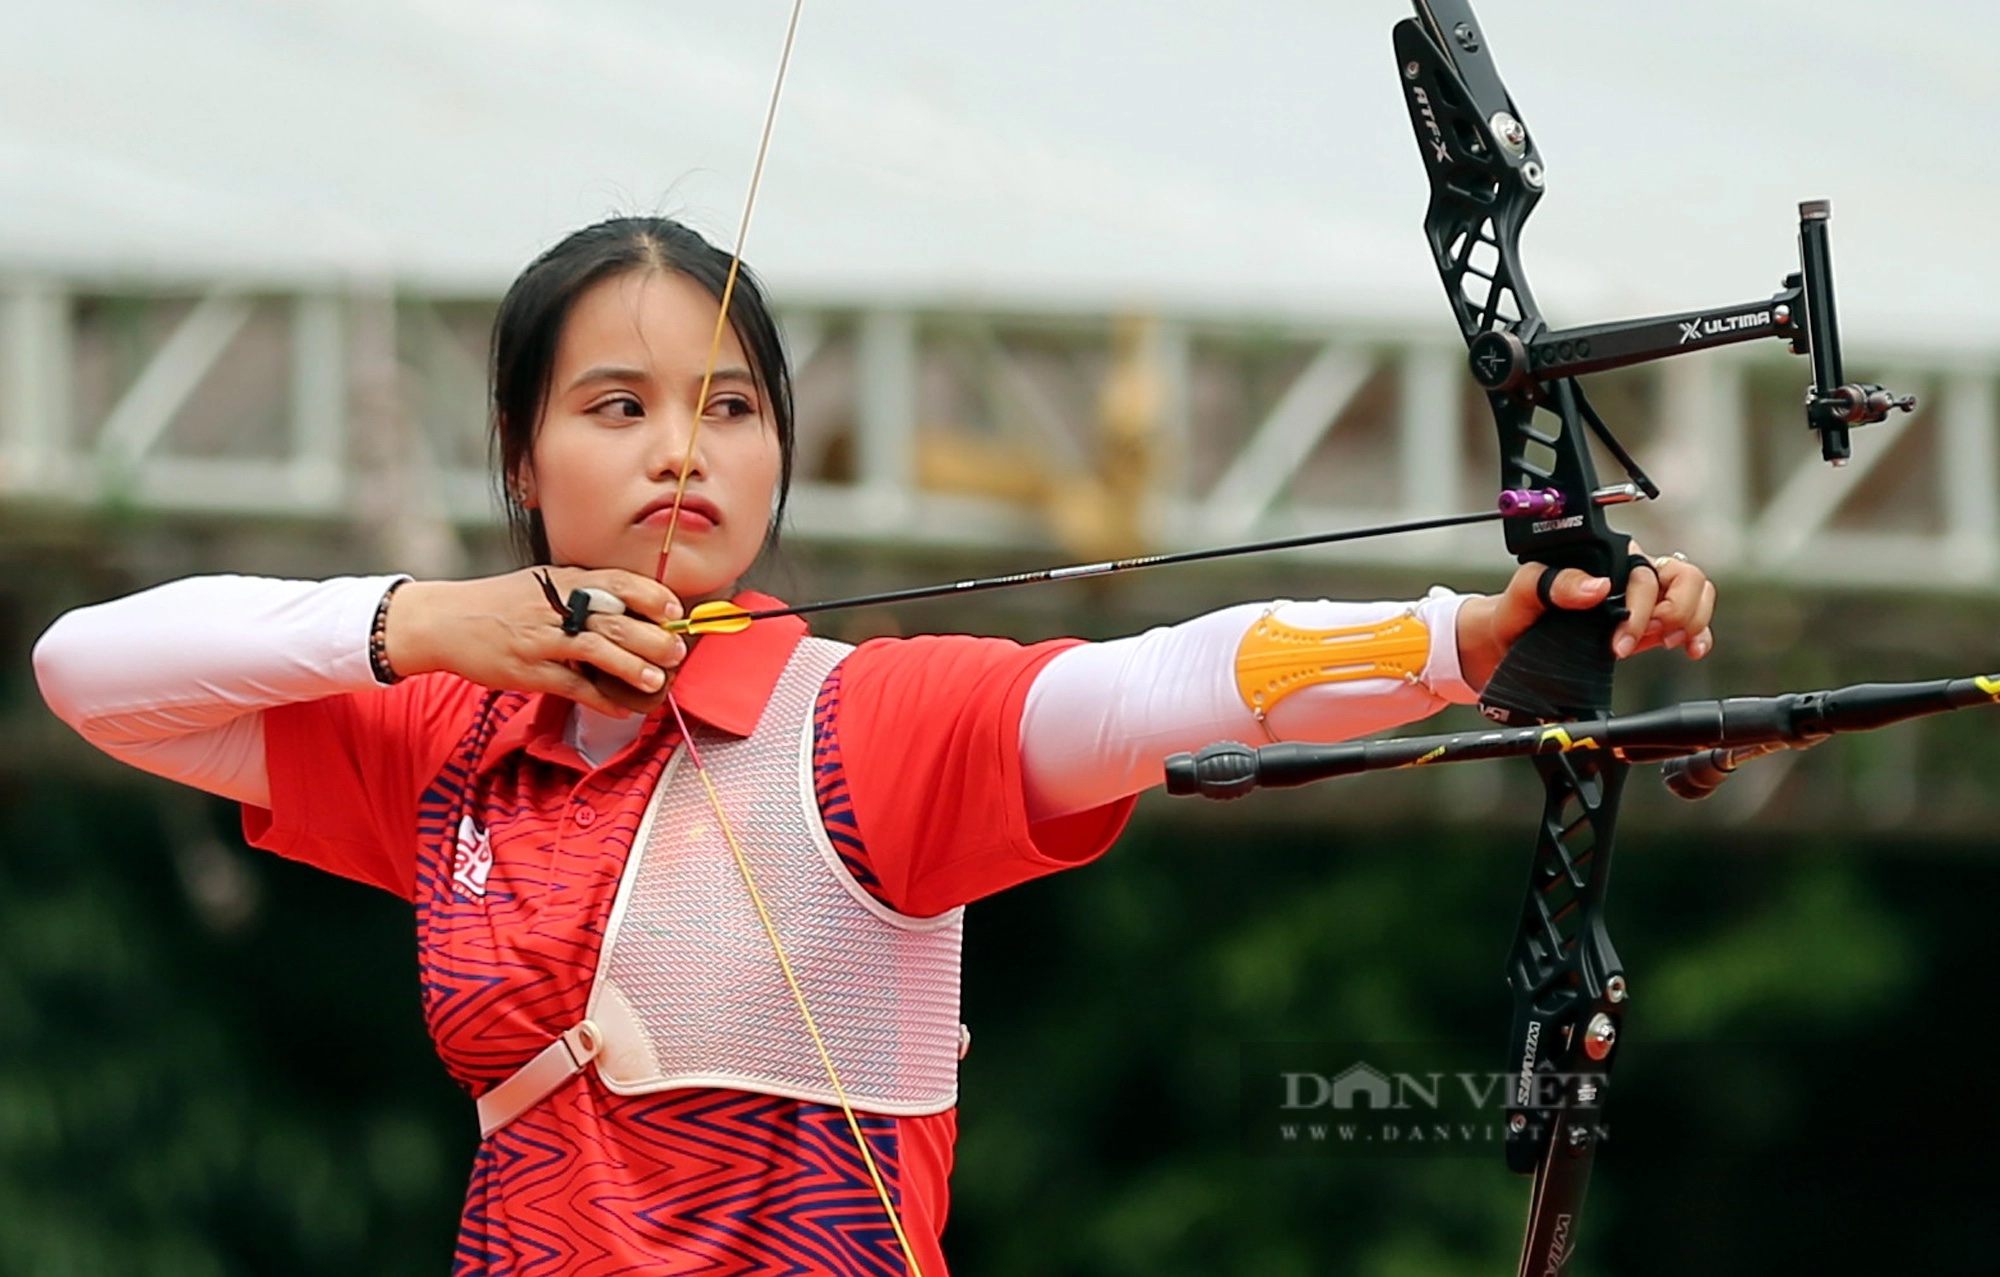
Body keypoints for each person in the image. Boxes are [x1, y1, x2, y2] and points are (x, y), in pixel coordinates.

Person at [33, 217, 1716, 1276]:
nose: (681, 449)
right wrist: (419, 619)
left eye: (733, 407)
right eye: (616, 406)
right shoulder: (455, 736)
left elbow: (1148, 691)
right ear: (520, 454)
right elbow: (88, 669)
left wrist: (1463, 637)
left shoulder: (857, 720)